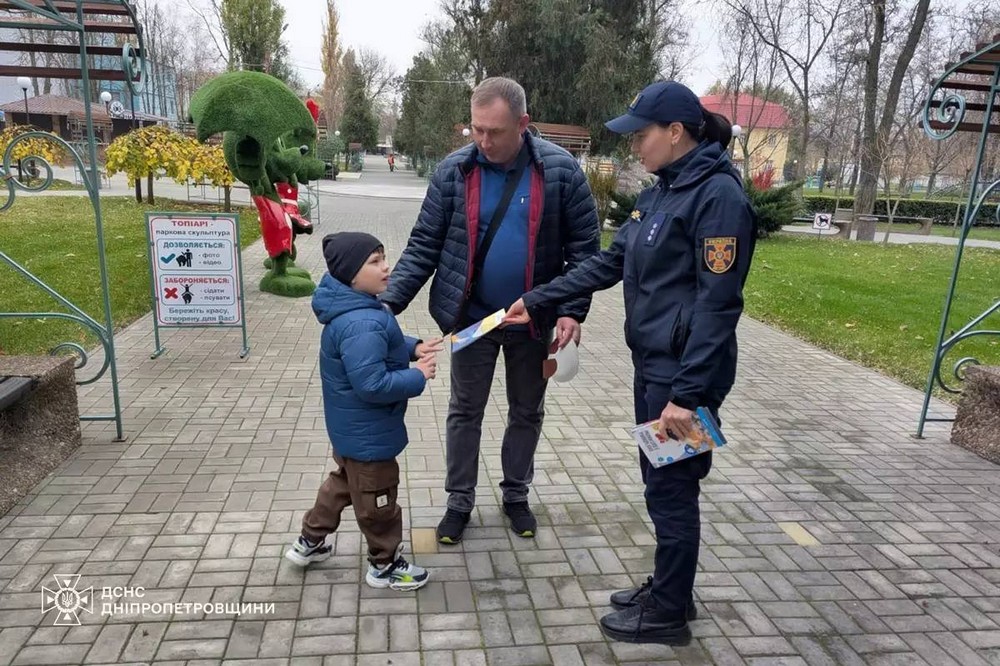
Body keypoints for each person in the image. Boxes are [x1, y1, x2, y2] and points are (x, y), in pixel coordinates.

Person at [505, 81, 757, 645]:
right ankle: (674, 589)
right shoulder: (663, 191)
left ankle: (668, 613)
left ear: (675, 132)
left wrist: (687, 396)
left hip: (686, 375)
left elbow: (719, 307)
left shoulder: (717, 198)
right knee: (661, 478)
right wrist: (539, 298)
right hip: (656, 366)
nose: (633, 146)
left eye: (641, 135)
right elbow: (609, 262)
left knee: (671, 487)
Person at [381, 76, 600, 544]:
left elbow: (585, 250)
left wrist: (571, 310)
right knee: (465, 411)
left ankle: (516, 494)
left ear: (523, 124)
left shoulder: (561, 173)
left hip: (533, 320)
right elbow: (423, 247)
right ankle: (459, 502)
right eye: (476, 130)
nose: (483, 141)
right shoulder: (454, 172)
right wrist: (384, 307)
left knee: (527, 410)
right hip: (472, 319)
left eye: (494, 132)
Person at [285, 231, 443, 591]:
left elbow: (380, 342)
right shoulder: (362, 320)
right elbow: (372, 384)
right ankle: (384, 564)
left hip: (350, 432)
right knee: (378, 503)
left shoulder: (355, 308)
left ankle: (309, 541)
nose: (386, 267)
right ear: (351, 274)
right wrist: (416, 376)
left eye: (384, 258)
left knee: (342, 485)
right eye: (374, 262)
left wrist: (412, 347)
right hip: (371, 436)